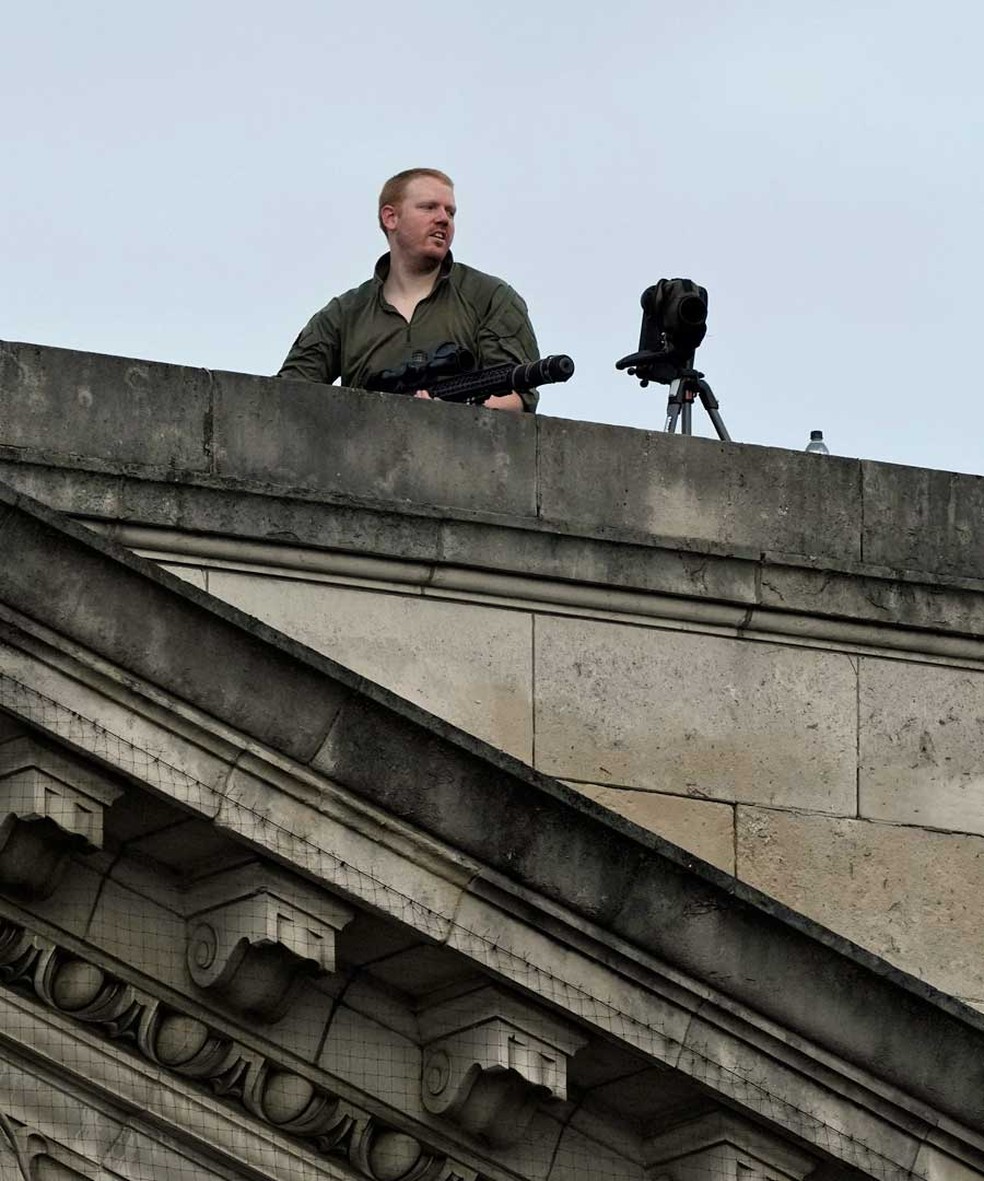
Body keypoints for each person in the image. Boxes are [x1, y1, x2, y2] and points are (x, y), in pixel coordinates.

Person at [277, 168, 540, 412]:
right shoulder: (344, 314)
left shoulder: (490, 297)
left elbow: (518, 395)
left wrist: (454, 410)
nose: (443, 219)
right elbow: (286, 396)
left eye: (450, 212)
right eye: (428, 207)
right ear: (390, 217)